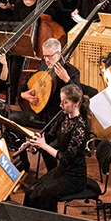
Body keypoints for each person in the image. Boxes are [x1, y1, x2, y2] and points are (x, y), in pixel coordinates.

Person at [14, 38, 82, 168]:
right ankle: (23, 162)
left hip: (57, 121)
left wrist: (67, 79)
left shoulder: (72, 72)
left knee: (46, 145)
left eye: (49, 56)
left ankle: (52, 174)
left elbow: (78, 98)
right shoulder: (43, 66)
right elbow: (26, 83)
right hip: (39, 113)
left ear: (58, 54)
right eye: (44, 56)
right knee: (13, 120)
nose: (46, 60)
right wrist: (24, 95)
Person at [22, 84, 90, 213]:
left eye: (65, 102)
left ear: (76, 103)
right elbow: (48, 136)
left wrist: (44, 146)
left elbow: (65, 157)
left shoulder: (80, 128)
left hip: (74, 176)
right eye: (61, 101)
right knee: (31, 191)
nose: (61, 105)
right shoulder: (63, 117)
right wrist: (35, 147)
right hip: (62, 171)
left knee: (43, 194)